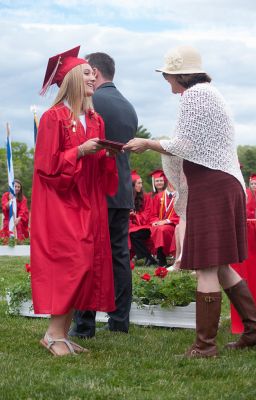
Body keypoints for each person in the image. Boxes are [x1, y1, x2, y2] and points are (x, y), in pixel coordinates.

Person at [124, 45, 256, 357]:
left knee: (204, 267)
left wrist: (148, 143)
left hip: (212, 185)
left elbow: (185, 144)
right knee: (220, 265)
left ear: (181, 75)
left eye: (169, 77)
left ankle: (205, 346)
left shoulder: (195, 96)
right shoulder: (208, 93)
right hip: (221, 183)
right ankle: (255, 331)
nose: (168, 84)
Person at [31, 46, 118, 356]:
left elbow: (101, 173)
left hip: (88, 201)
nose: (92, 76)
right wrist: (80, 151)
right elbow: (46, 167)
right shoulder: (53, 118)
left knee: (86, 266)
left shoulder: (95, 120)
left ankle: (62, 334)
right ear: (70, 80)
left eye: (92, 73)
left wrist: (107, 154)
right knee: (74, 264)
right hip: (60, 203)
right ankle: (53, 335)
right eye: (85, 73)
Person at [69, 52, 138, 338]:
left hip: (97, 186)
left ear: (94, 72)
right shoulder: (129, 106)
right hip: (121, 189)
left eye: (87, 71)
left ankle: (84, 324)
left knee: (88, 254)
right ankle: (119, 321)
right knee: (119, 255)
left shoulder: (93, 101)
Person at [129, 170, 156, 266]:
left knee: (133, 235)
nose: (141, 185)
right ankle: (149, 258)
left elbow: (148, 214)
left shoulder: (146, 197)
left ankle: (148, 257)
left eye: (141, 183)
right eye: (138, 183)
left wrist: (135, 215)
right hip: (132, 227)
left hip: (145, 225)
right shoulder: (127, 198)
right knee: (130, 234)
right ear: (132, 185)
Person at [150, 182, 179, 266]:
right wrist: (155, 222)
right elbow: (153, 214)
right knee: (157, 229)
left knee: (161, 230)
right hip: (159, 225)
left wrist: (167, 221)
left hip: (173, 225)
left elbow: (181, 215)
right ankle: (161, 259)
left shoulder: (180, 197)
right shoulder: (158, 196)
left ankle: (161, 259)